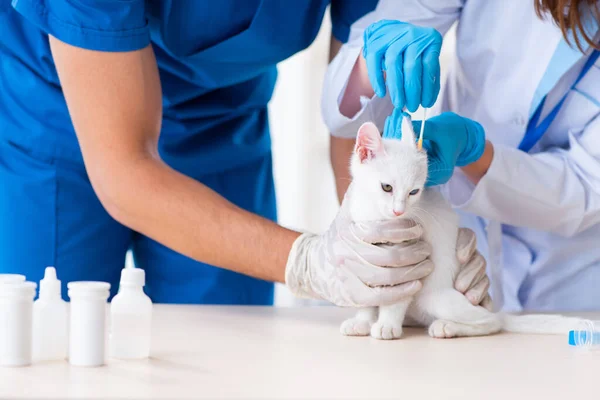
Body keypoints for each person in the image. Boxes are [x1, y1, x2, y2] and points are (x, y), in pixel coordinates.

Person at [0, 0, 488, 307]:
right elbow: (124, 169)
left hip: (223, 121)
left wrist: (380, 253)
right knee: (50, 329)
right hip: (57, 111)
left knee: (227, 352)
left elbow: (354, 129)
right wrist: (314, 263)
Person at [322, 0, 600, 312]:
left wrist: (473, 153)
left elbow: (587, 186)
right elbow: (342, 115)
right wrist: (371, 65)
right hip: (450, 232)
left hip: (566, 272)